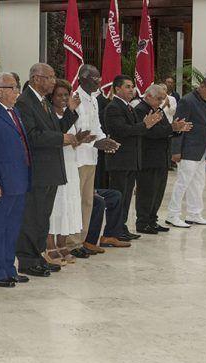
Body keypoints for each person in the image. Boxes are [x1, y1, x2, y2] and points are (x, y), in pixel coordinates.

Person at [15, 63, 80, 277]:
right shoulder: (25, 102)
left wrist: (70, 113)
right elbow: (32, 135)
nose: (54, 81)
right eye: (50, 77)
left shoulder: (43, 101)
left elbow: (56, 129)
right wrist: (61, 138)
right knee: (32, 217)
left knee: (43, 217)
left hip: (51, 169)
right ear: (36, 79)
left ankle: (38, 256)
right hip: (38, 169)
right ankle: (27, 260)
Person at [66, 65, 120, 258]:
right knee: (75, 201)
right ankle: (70, 243)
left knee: (88, 202)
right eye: (94, 78)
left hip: (91, 158)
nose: (98, 82)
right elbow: (74, 131)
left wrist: (105, 140)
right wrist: (96, 143)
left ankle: (82, 241)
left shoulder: (95, 100)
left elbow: (96, 125)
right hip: (78, 158)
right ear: (82, 78)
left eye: (99, 78)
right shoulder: (75, 99)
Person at [0, 72, 31, 287]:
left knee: (13, 226)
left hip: (21, 177)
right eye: (13, 88)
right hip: (4, 180)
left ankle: (9, 268)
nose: (17, 92)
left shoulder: (15, 112)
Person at [104, 75, 162, 241]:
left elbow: (136, 129)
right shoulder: (114, 107)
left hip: (130, 160)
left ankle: (121, 227)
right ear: (117, 89)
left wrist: (144, 125)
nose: (132, 90)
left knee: (126, 197)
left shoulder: (128, 107)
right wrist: (145, 125)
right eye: (128, 86)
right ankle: (113, 230)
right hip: (119, 161)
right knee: (118, 196)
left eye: (132, 86)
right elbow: (122, 130)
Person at [134, 84, 191, 234]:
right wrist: (172, 128)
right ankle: (142, 222)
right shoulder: (140, 110)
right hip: (148, 158)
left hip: (161, 158)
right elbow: (149, 132)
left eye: (162, 98)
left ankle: (152, 220)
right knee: (146, 192)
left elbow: (166, 129)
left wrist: (177, 129)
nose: (161, 102)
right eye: (158, 98)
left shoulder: (158, 110)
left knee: (158, 192)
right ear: (148, 96)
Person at [166, 77, 206, 228]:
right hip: (188, 149)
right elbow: (178, 126)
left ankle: (194, 213)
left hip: (201, 151)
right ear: (201, 86)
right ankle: (172, 214)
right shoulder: (187, 101)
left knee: (198, 183)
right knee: (182, 183)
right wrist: (176, 151)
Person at [46, 79, 87, 265]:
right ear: (51, 97)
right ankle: (50, 244)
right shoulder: (49, 113)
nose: (63, 99)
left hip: (70, 163)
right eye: (59, 95)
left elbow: (71, 137)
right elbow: (55, 135)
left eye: (66, 95)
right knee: (55, 204)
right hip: (55, 163)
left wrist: (79, 139)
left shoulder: (71, 114)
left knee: (68, 204)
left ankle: (63, 243)